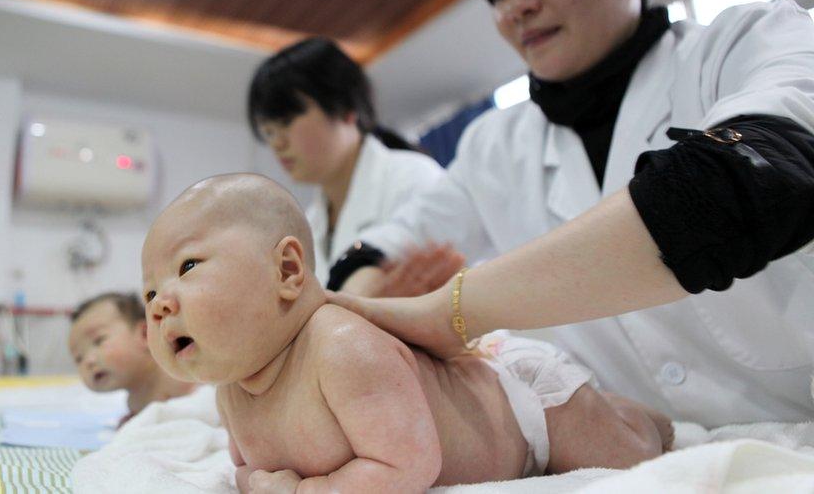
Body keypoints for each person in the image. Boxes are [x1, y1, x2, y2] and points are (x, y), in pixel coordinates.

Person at [328, 0, 814, 428]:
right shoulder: (493, 146)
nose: (518, 5)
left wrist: (452, 310)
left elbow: (753, 175)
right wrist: (364, 301)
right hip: (641, 463)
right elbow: (385, 242)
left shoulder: (748, 41)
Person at [140, 174, 671, 493]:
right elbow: (251, 475)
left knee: (630, 461)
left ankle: (641, 418)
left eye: (187, 267)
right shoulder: (232, 392)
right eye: (147, 295)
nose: (160, 304)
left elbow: (408, 465)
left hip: (526, 403)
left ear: (286, 271)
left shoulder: (340, 348)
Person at [247, 37, 460, 294]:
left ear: (346, 107)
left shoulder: (414, 179)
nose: (278, 144)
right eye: (268, 132)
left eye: (287, 121)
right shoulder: (310, 223)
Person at [68, 292, 196, 426]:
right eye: (78, 358)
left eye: (99, 341)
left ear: (144, 335)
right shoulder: (133, 402)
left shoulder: (177, 373)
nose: (88, 361)